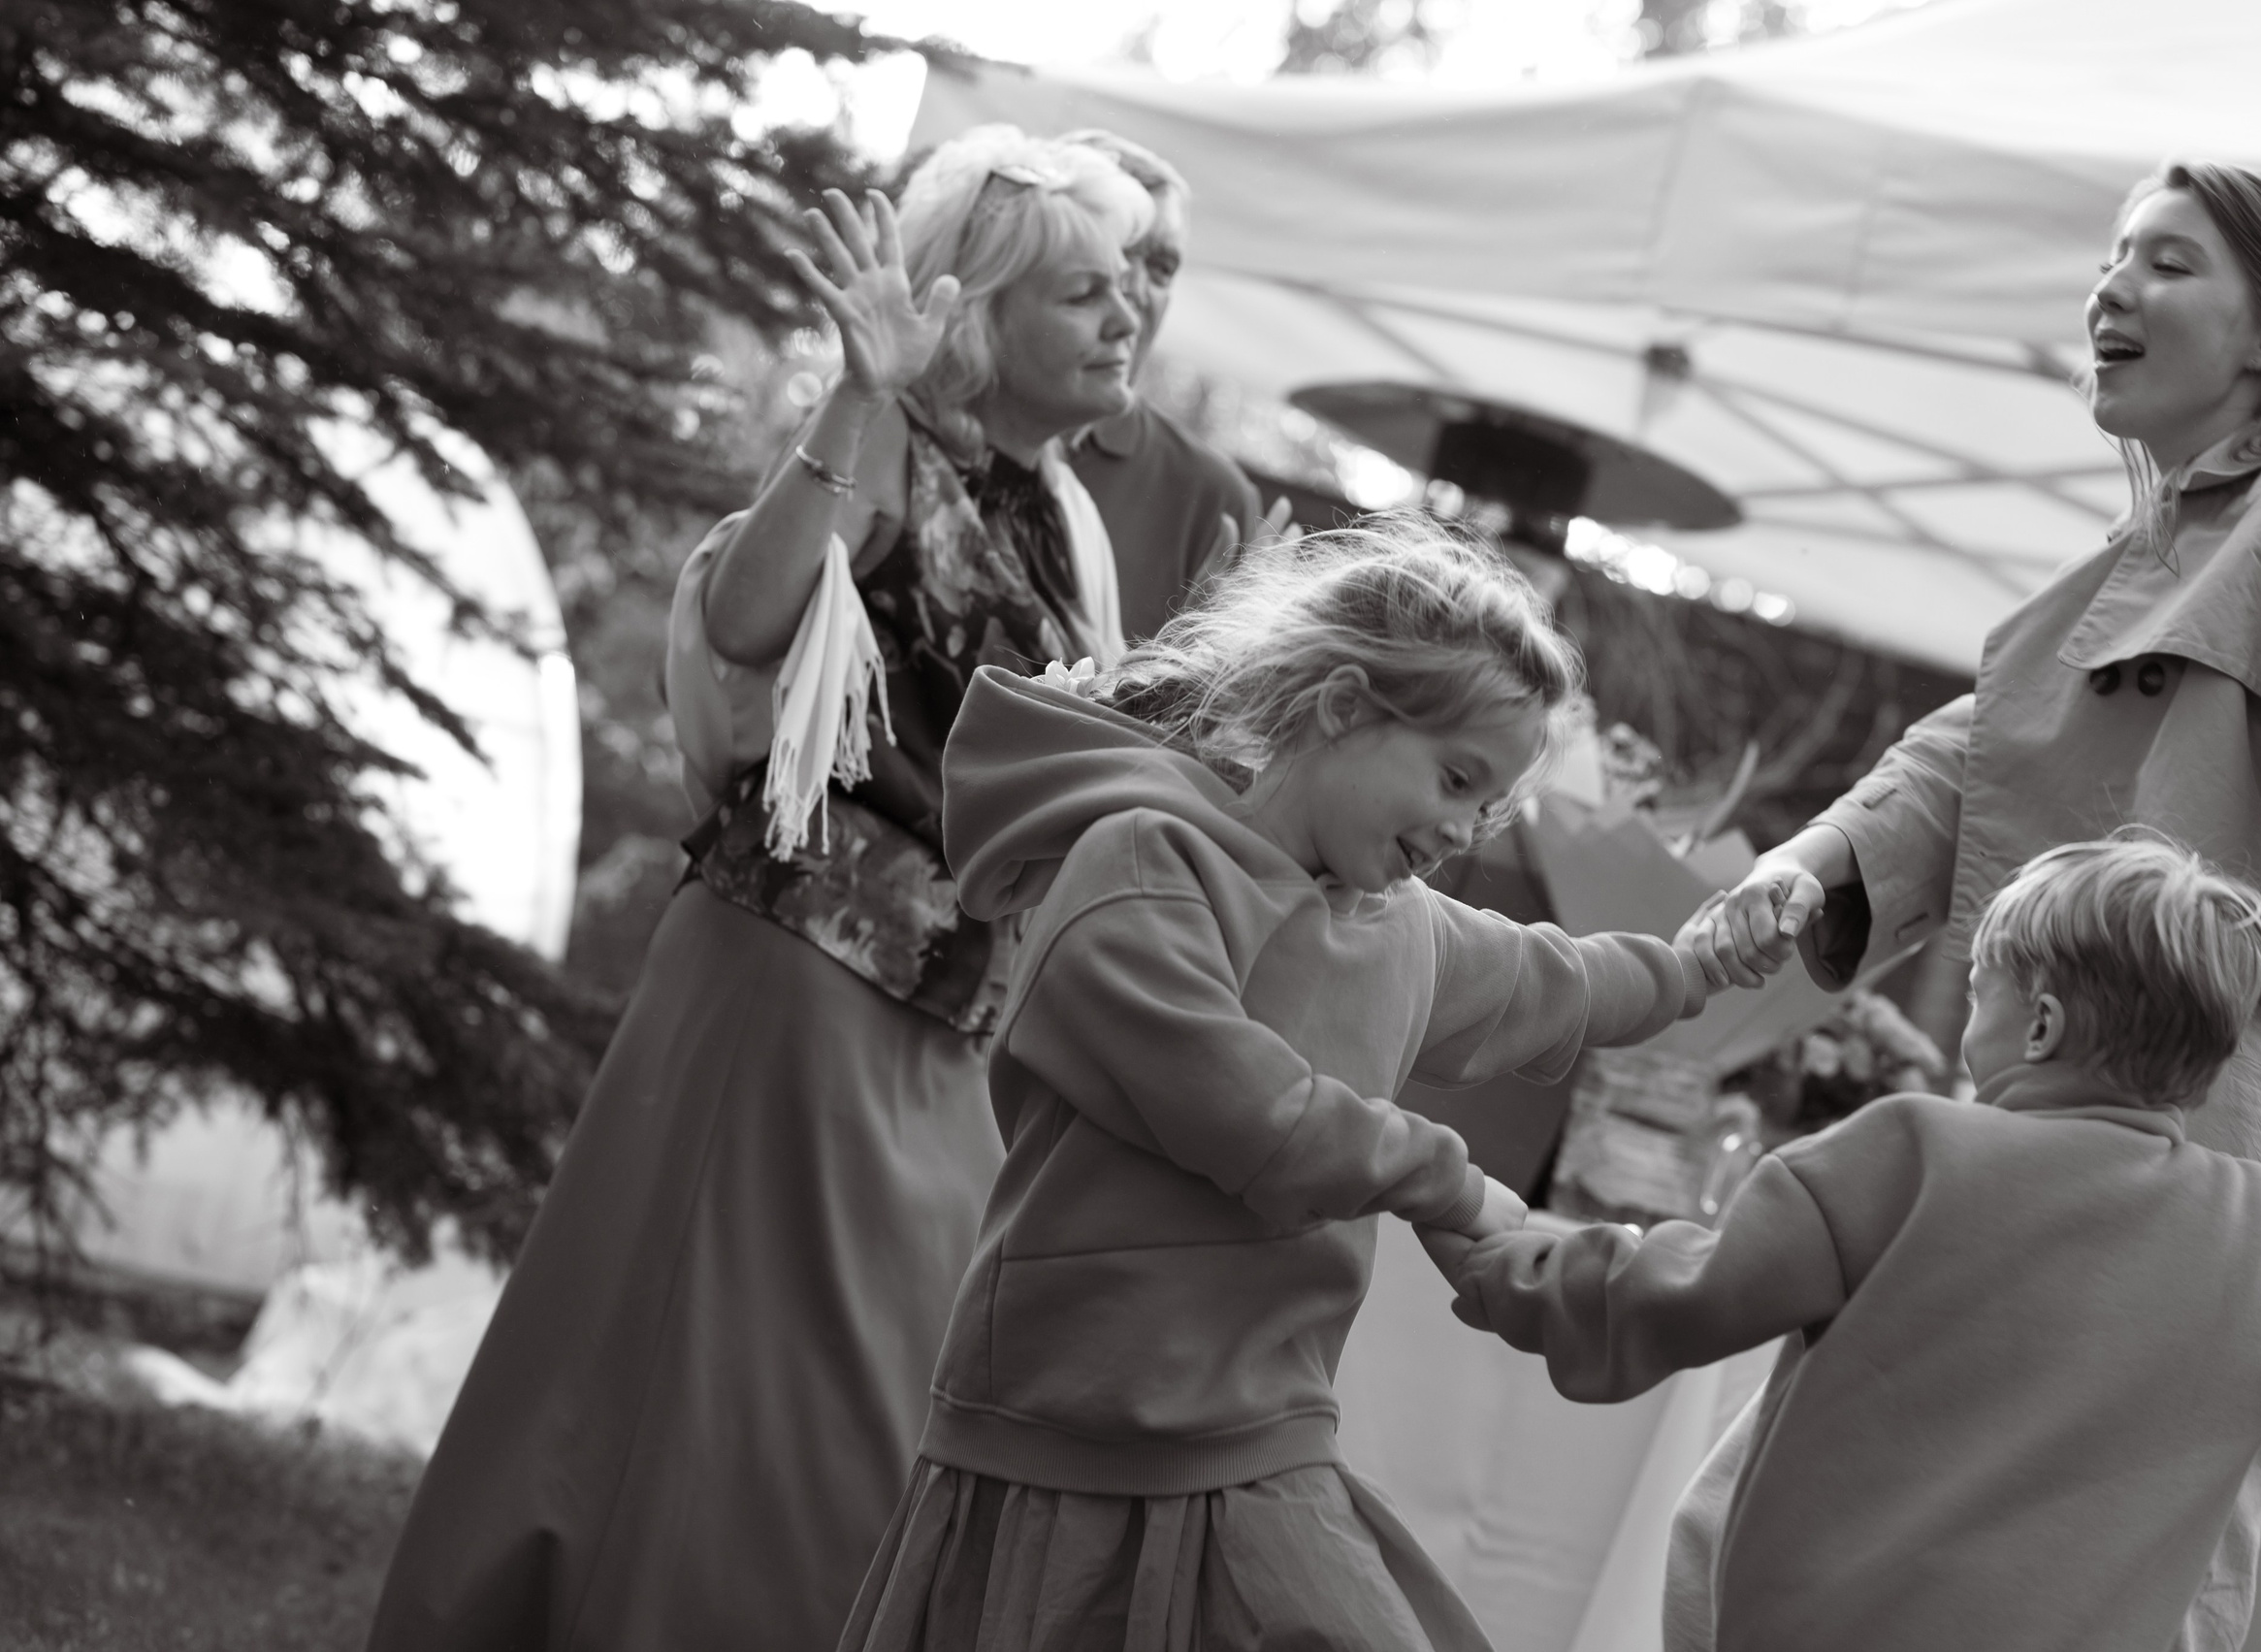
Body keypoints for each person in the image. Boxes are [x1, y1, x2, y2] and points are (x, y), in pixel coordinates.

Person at [1674, 159, 2261, 1652]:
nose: (2110, 289)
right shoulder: (2119, 564)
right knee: (1806, 1501)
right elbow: (1962, 756)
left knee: (2124, 1553)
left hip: (2200, 1096)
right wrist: (1805, 865)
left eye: (2168, 262)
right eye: (2112, 257)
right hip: (2035, 1091)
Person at [366, 128, 1154, 1652]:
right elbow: (744, 612)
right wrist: (862, 391)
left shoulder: (1062, 517)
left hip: (941, 1030)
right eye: (1083, 293)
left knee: (850, 1422)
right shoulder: (896, 448)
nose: (1126, 318)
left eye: (1130, 286)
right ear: (980, 316)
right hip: (793, 989)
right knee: (736, 1407)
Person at [836, 521, 1708, 1652]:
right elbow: (1252, 1112)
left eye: (1487, 808)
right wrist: (1453, 1187)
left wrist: (1698, 967)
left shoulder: (1401, 927)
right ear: (1343, 705)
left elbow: (1555, 979)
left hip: (1259, 1437)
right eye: (1454, 778)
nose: (1460, 831)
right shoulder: (1139, 866)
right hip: (1064, 1434)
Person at [1437, 834, 2261, 1652]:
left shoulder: (1903, 1152)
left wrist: (1501, 1249)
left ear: (2037, 1026)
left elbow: (1666, 1295)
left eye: (1980, 988)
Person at [1061, 128, 1264, 640]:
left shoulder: (1212, 501)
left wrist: (1188, 663)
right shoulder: (931, 427)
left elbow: (1203, 718)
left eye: (1162, 266)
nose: (1133, 288)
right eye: (1118, 247)